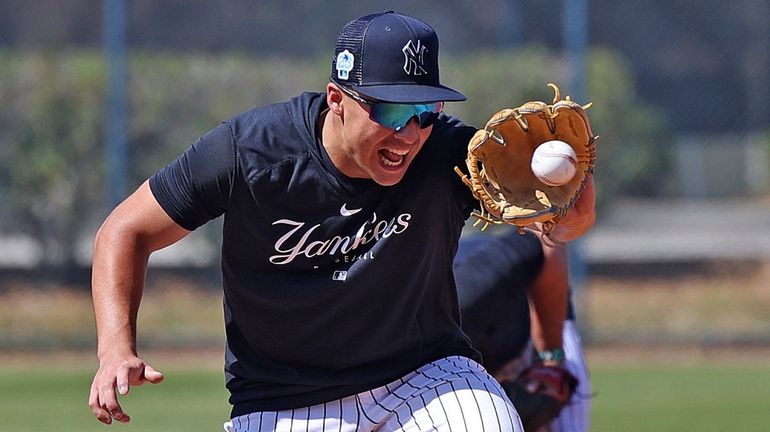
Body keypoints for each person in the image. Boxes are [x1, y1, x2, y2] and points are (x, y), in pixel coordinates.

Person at [88, 11, 596, 432]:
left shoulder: (447, 155)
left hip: (424, 377)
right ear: (337, 99)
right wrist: (115, 348)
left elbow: (563, 229)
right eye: (390, 111)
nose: (409, 133)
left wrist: (574, 191)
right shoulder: (251, 153)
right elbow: (126, 230)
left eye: (424, 109)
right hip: (281, 400)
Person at [454, 229, 591, 432]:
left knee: (553, 395)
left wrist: (551, 360)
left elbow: (545, 240)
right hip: (464, 357)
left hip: (532, 298)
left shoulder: (467, 295)